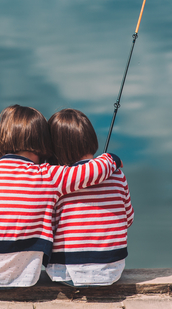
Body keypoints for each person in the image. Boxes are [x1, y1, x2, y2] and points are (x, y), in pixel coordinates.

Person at [0, 104, 122, 288]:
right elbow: (89, 172)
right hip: (22, 277)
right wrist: (111, 159)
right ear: (43, 143)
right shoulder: (48, 175)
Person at [45, 108, 134, 287]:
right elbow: (128, 219)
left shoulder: (60, 180)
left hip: (65, 272)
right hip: (112, 269)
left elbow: (48, 226)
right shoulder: (118, 175)